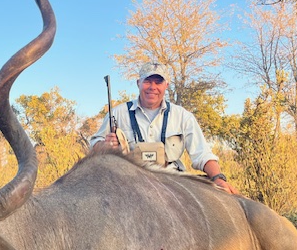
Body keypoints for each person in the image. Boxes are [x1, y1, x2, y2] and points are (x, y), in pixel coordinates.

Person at [90, 62, 239, 195]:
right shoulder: (117, 113)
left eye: (158, 82)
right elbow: (94, 144)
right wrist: (105, 146)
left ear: (166, 85)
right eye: (147, 81)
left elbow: (202, 154)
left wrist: (218, 178)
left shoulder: (183, 116)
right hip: (129, 182)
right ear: (138, 83)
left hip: (173, 184)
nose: (152, 87)